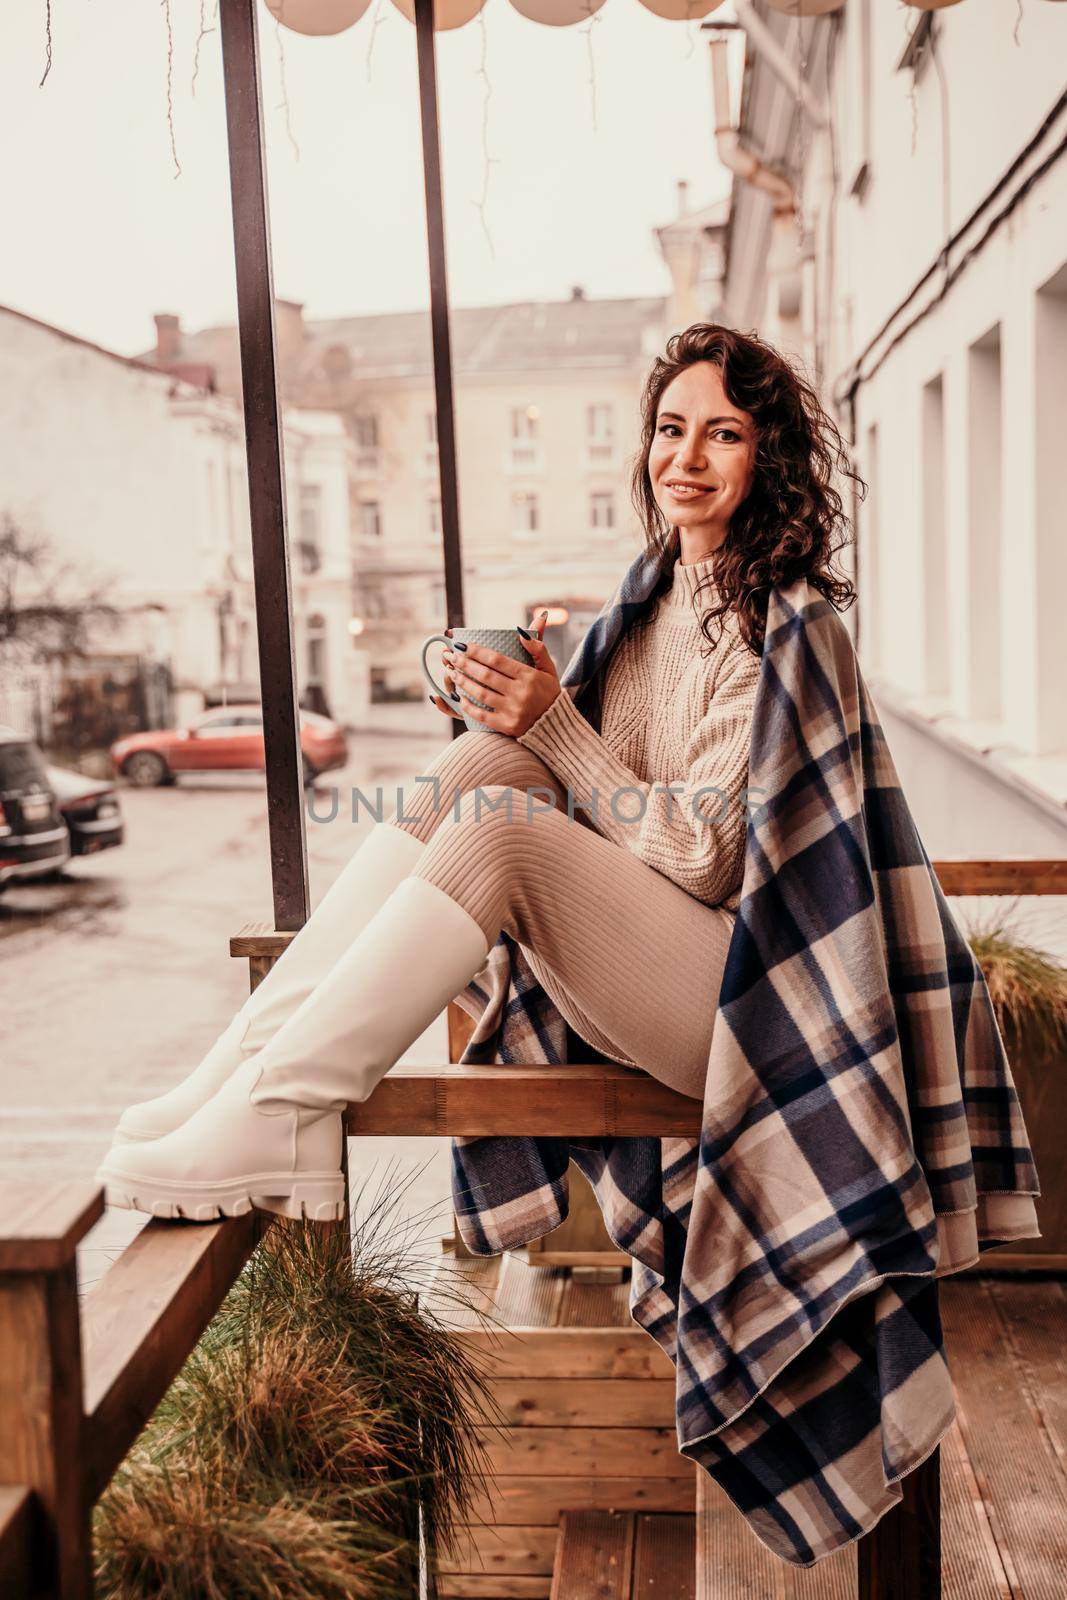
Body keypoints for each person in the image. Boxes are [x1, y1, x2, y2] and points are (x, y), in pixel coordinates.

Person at [97, 323, 858, 1223]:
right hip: (656, 957)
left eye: (723, 433)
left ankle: (281, 1109)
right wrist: (515, 719)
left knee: (504, 820)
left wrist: (557, 727)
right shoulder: (647, 605)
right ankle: (248, 1073)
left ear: (767, 458)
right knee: (488, 761)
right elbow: (597, 791)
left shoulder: (781, 629)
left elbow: (704, 861)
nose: (685, 456)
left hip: (743, 1003)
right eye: (668, 428)